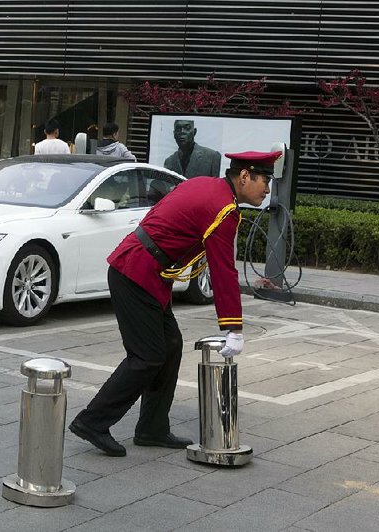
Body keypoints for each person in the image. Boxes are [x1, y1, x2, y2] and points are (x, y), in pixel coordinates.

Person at [69, 150, 282, 457]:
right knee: (147, 356)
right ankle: (92, 421)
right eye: (264, 180)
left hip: (146, 271)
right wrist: (233, 328)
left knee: (170, 346)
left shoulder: (207, 186)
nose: (267, 189)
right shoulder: (223, 209)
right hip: (136, 273)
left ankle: (152, 429)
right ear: (245, 176)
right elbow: (223, 271)